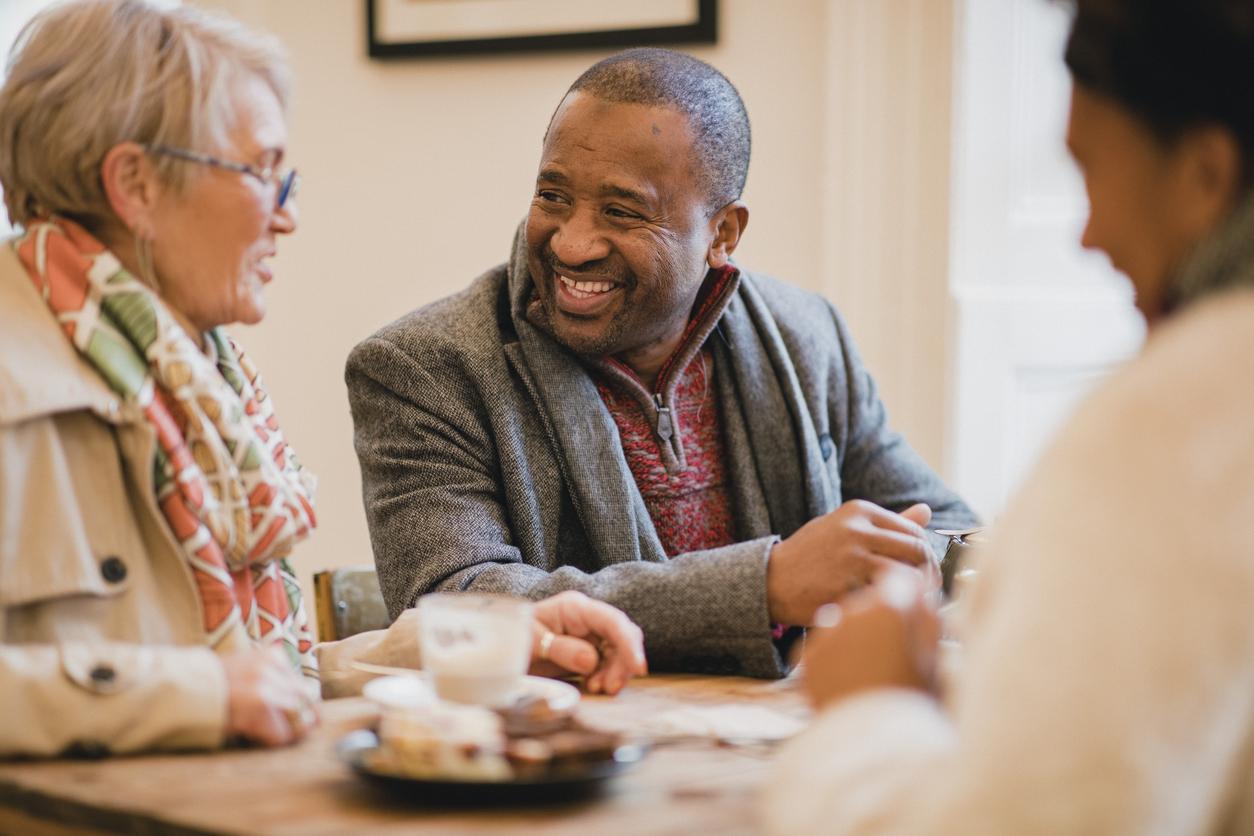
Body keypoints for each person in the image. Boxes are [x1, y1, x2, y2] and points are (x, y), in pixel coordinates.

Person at [0, 0, 643, 759]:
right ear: (135, 184)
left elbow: (269, 680)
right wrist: (197, 696)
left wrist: (481, 645)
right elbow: (211, 688)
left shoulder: (197, 383)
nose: (288, 216)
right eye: (263, 173)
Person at [764, 0, 1254, 832]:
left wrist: (866, 709)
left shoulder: (1185, 422)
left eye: (1092, 169)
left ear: (1204, 176)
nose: (1088, 234)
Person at [347, 48, 978, 681]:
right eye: (552, 195)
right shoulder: (422, 367)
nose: (572, 242)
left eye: (621, 211)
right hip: (566, 760)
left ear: (722, 233)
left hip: (788, 746)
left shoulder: (808, 334)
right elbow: (456, 602)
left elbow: (947, 529)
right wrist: (764, 586)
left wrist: (903, 559)